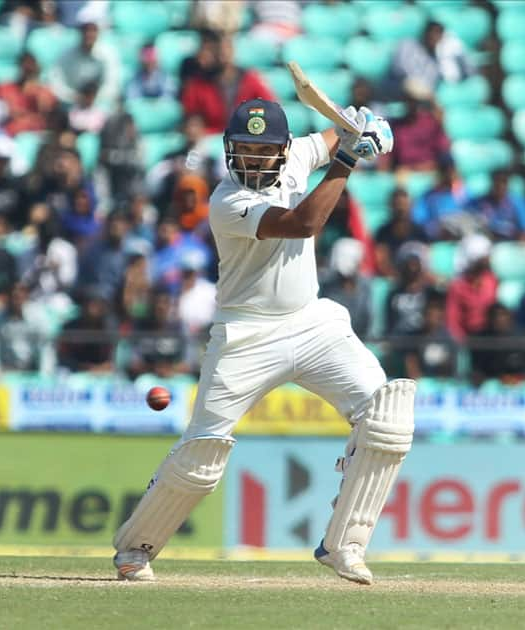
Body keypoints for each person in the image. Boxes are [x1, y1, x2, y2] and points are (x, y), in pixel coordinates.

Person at [112, 98, 413, 587]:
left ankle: (346, 544)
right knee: (203, 452)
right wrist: (351, 158)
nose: (252, 161)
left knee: (387, 416)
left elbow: (333, 136)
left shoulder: (298, 155)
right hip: (245, 335)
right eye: (243, 150)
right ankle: (135, 547)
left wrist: (364, 124)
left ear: (283, 150)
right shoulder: (227, 201)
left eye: (263, 150)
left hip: (312, 322)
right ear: (229, 152)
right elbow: (303, 223)